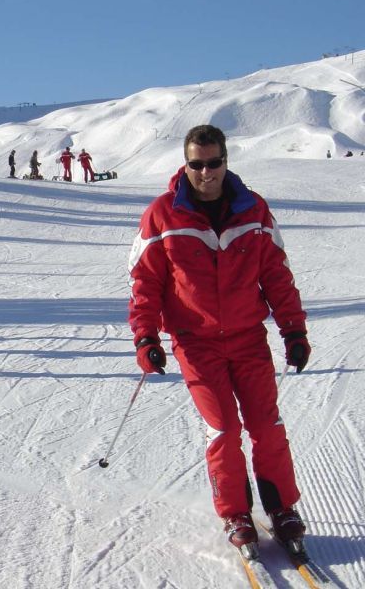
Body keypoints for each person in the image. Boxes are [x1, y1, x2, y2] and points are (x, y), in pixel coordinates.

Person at [127, 124, 310, 557]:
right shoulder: (162, 214)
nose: (205, 172)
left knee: (267, 425)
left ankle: (281, 508)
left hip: (248, 338)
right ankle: (235, 512)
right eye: (196, 164)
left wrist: (294, 329)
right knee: (224, 428)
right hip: (196, 343)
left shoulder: (254, 210)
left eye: (213, 163)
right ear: (185, 163)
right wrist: (145, 337)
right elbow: (144, 283)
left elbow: (276, 275)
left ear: (226, 161)